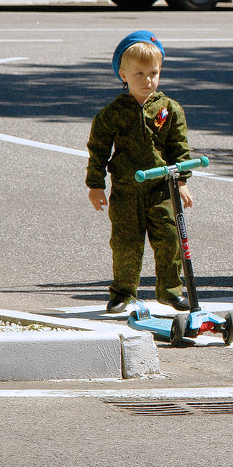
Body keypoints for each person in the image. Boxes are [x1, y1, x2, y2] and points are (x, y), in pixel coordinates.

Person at [86, 31, 196, 313]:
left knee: (169, 239)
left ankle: (170, 291)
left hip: (161, 187)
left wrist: (181, 181)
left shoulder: (170, 109)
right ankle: (123, 293)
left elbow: (179, 147)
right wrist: (95, 185)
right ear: (123, 74)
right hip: (126, 189)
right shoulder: (113, 113)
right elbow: (98, 149)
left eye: (153, 73)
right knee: (125, 243)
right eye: (139, 74)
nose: (148, 80)